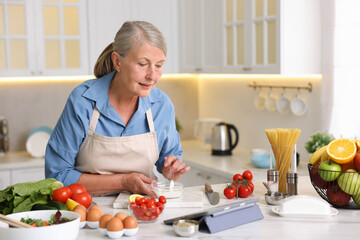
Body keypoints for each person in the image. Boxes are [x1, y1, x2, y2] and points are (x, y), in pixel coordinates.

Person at [45, 21, 190, 196]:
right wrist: (123, 182)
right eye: (143, 64)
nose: (152, 76)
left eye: (159, 65)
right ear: (117, 61)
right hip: (86, 211)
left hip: (144, 209)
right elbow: (57, 177)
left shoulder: (161, 105)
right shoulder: (83, 101)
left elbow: (169, 157)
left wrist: (171, 167)